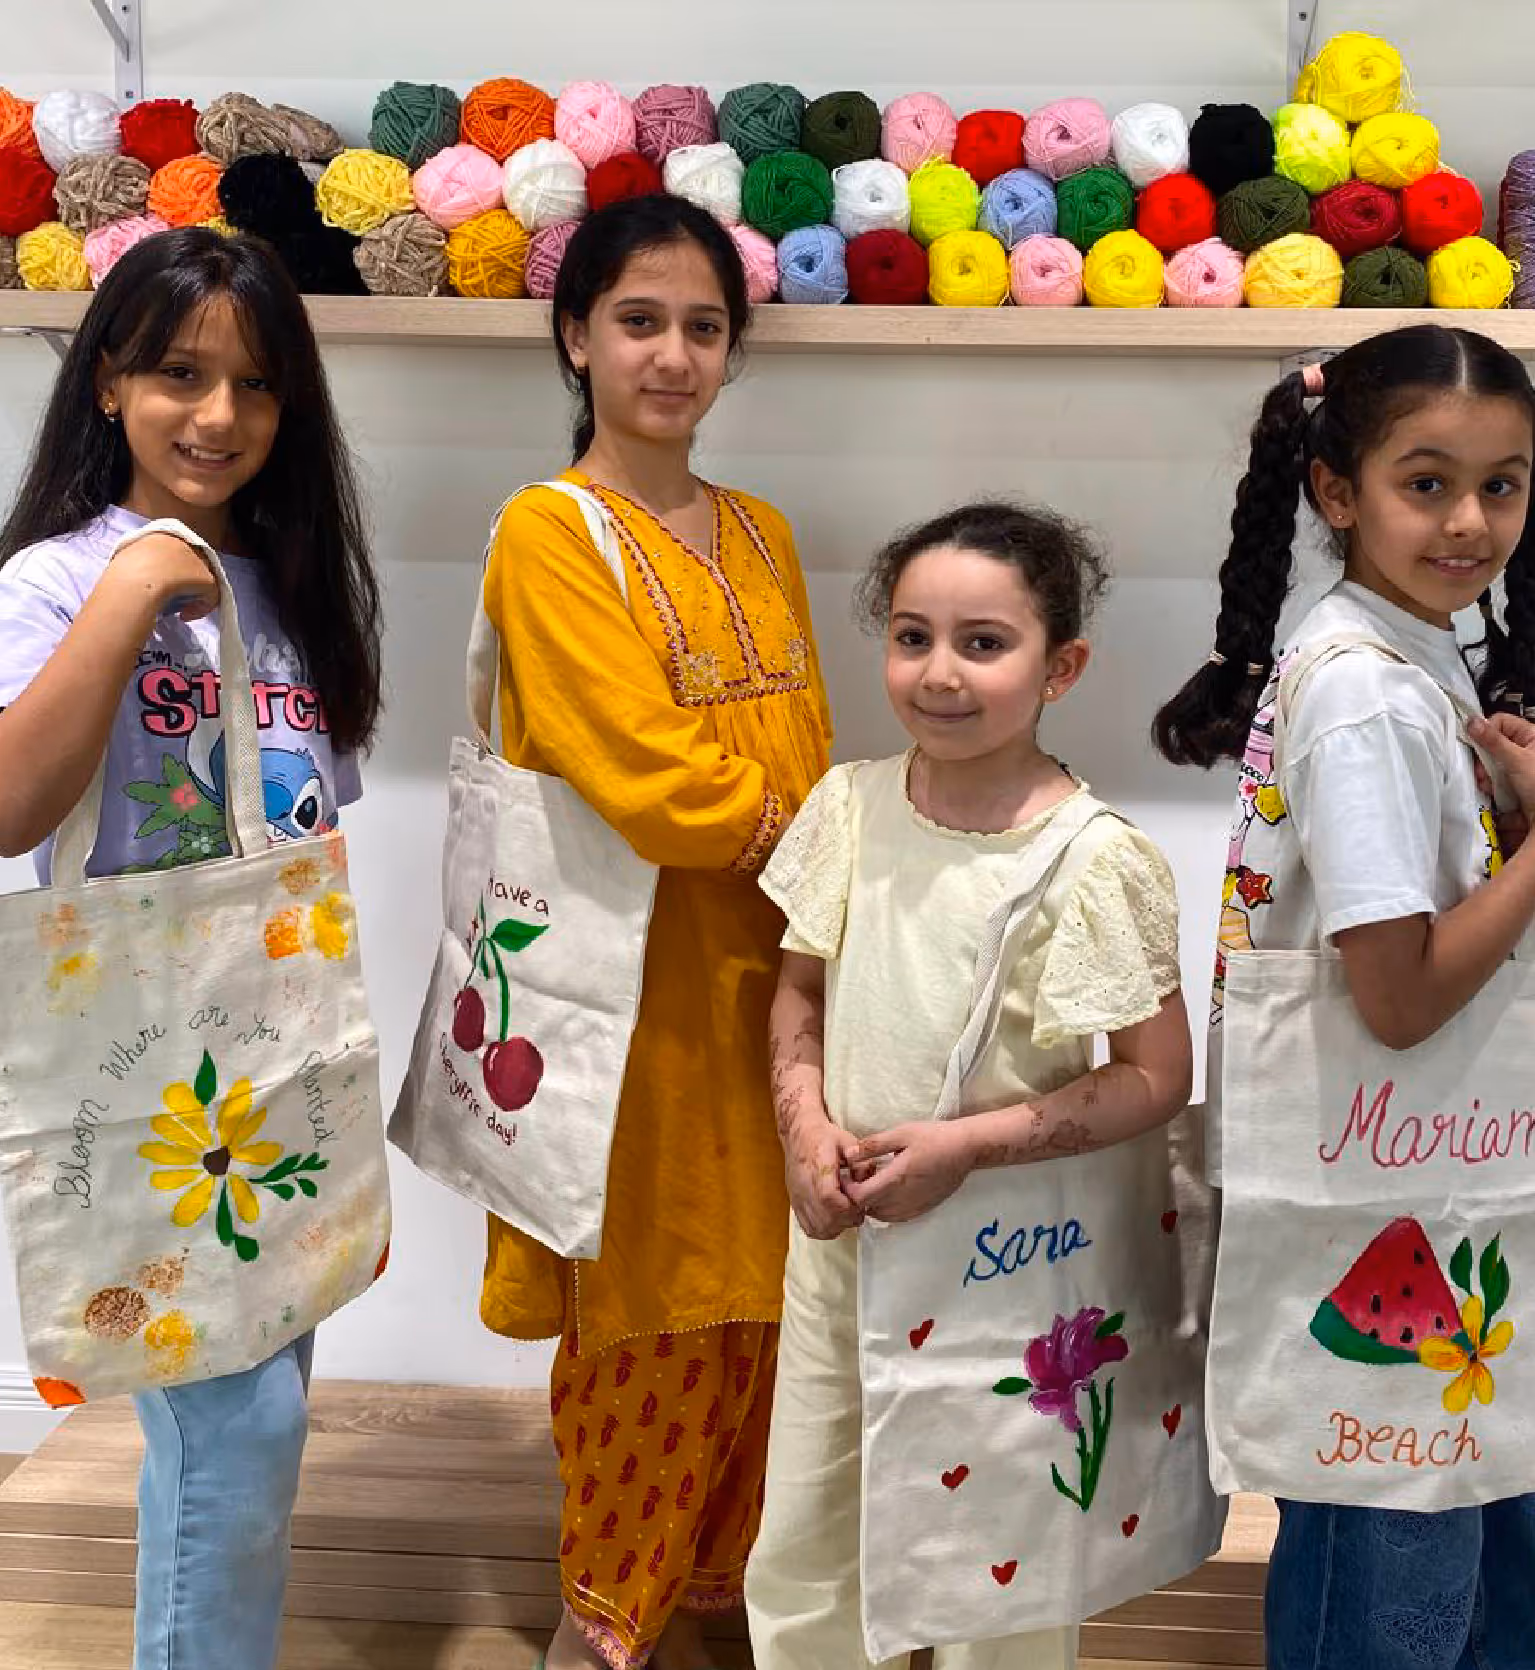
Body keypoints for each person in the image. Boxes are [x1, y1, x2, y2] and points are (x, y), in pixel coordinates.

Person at [1152, 323, 1535, 1670]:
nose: (1468, 520)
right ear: (1336, 490)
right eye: (1427, 481)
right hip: (1379, 1174)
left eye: (1500, 484)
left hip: (1406, 1171)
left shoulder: (1390, 651)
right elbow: (1393, 995)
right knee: (1398, 1535)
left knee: (1473, 1501)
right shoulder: (1370, 698)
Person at [0, 227, 383, 1670]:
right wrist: (125, 597)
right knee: (244, 1436)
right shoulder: (57, 580)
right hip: (144, 1078)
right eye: (177, 373)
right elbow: (10, 805)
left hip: (276, 1064)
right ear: (107, 383)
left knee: (247, 1418)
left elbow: (302, 843)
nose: (217, 416)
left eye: (255, 385)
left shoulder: (287, 594)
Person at [471, 195, 833, 1670]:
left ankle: (714, 1606)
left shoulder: (762, 531)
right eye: (638, 321)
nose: (671, 355)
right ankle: (603, 1622)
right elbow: (648, 779)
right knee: (652, 1304)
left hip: (779, 981)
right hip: (630, 1003)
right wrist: (836, 851)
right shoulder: (547, 532)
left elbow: (807, 739)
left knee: (768, 1304)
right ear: (575, 335)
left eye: (701, 327)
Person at [745, 502, 1194, 1669]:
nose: (938, 673)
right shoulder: (846, 806)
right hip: (837, 1243)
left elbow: (1153, 1076)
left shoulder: (1095, 859)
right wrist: (803, 1130)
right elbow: (796, 992)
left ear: (1062, 665)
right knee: (810, 1520)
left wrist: (965, 1146)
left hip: (1003, 1268)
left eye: (982, 642)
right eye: (910, 636)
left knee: (1003, 1537)